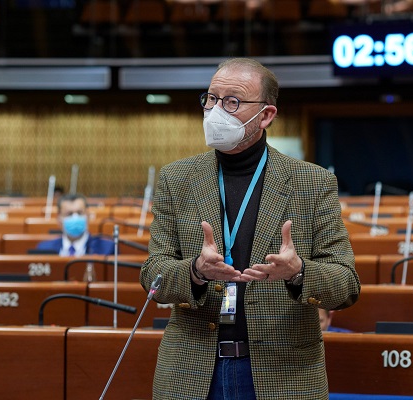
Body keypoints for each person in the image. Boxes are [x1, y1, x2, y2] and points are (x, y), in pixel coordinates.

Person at [140, 58, 360, 400]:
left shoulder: (313, 182)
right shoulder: (176, 178)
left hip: (284, 373)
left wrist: (298, 272)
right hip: (192, 371)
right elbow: (152, 275)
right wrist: (195, 272)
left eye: (232, 102)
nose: (216, 111)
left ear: (267, 115)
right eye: (211, 99)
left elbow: (346, 285)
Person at [35, 193, 115, 256]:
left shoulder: (107, 248)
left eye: (80, 213)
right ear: (58, 219)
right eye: (69, 214)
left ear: (88, 216)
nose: (75, 218)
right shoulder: (44, 249)